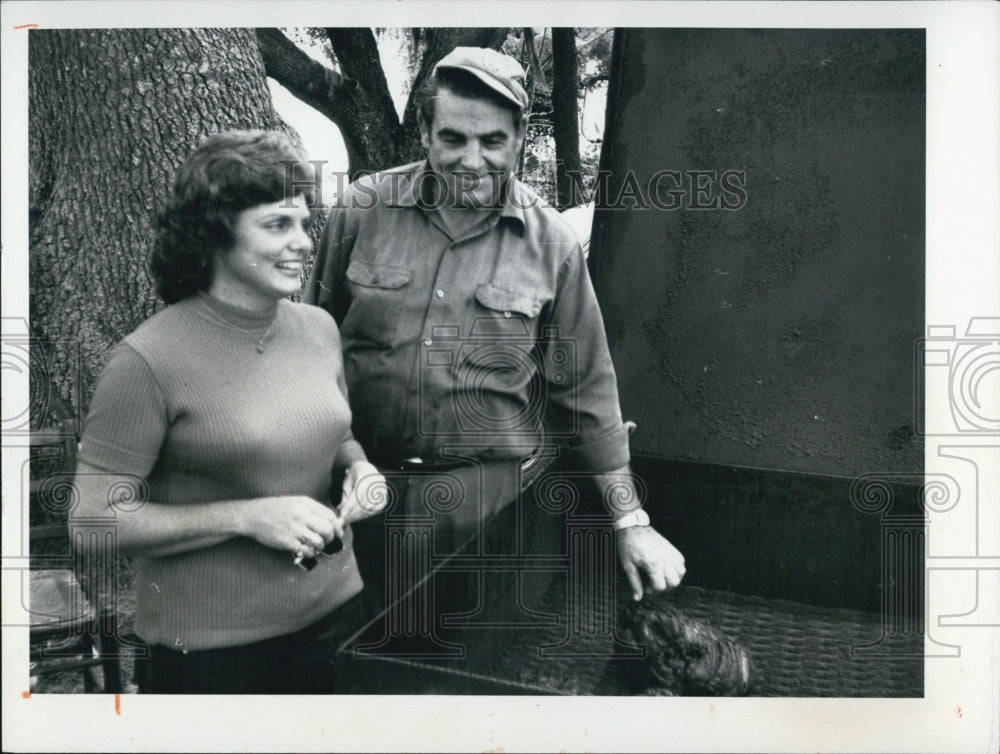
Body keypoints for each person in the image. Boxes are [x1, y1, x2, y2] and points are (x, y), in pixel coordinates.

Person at [304, 47, 685, 604]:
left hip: (484, 508)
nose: (472, 161)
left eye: (492, 142)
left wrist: (631, 523)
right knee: (343, 667)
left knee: (452, 668)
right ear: (427, 132)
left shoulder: (551, 243)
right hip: (354, 489)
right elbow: (307, 347)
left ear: (520, 139)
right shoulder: (362, 208)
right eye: (453, 139)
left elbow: (589, 395)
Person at [69, 130, 387, 693]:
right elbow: (93, 521)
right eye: (277, 225)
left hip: (339, 618)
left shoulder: (318, 329)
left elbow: (330, 431)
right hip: (212, 652)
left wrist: (357, 467)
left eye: (305, 224)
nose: (305, 243)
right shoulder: (147, 360)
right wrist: (246, 517)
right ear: (214, 234)